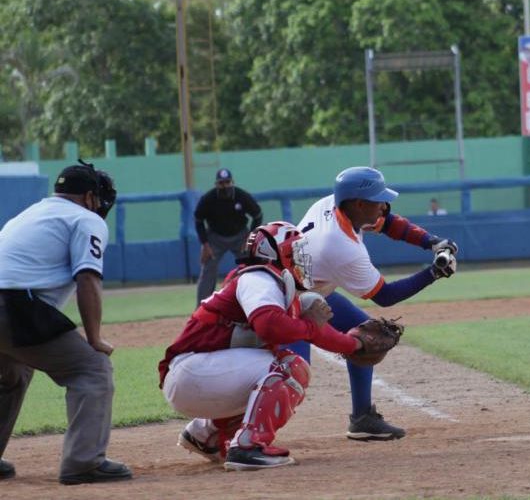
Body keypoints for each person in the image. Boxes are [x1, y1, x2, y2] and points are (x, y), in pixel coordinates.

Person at [159, 221, 367, 471]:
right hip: (193, 372)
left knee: (267, 370)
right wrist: (311, 327)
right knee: (289, 367)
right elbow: (270, 325)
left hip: (198, 374)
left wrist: (353, 344)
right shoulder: (258, 277)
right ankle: (248, 446)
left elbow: (315, 334)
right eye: (293, 251)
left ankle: (206, 435)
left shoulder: (270, 282)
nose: (299, 257)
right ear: (274, 253)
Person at [292, 166, 458, 441]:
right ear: (358, 203)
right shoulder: (340, 246)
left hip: (310, 291)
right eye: (378, 199)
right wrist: (434, 273)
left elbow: (390, 222)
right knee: (291, 375)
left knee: (363, 332)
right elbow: (386, 296)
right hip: (286, 303)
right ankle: (224, 431)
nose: (384, 205)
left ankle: (363, 419)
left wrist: (431, 242)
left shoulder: (336, 205)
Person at [0, 161, 132, 485]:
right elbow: (88, 279)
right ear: (89, 197)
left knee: (12, 372)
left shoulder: (33, 212)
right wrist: (95, 338)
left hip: (12, 305)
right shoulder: (85, 219)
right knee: (92, 370)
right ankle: (83, 463)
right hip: (14, 306)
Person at [194, 168, 263, 306]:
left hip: (240, 237)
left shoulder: (241, 196)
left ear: (232, 182)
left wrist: (249, 237)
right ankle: (202, 308)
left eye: (227, 182)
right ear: (216, 184)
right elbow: (198, 220)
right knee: (208, 270)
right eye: (221, 183)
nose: (224, 186)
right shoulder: (208, 198)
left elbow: (257, 215)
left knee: (252, 266)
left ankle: (256, 302)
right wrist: (205, 244)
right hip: (216, 238)